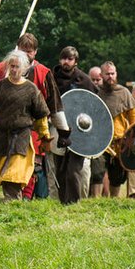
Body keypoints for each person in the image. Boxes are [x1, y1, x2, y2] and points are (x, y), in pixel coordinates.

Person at [0, 49, 51, 200]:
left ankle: (13, 205)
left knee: (13, 176)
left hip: (21, 137)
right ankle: (14, 206)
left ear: (25, 68)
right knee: (4, 175)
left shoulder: (31, 89)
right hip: (1, 136)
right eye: (11, 66)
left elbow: (41, 116)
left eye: (16, 66)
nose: (13, 69)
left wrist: (44, 135)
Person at [48, 46, 94, 203]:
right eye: (63, 58)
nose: (65, 62)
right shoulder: (52, 78)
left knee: (73, 170)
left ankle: (73, 204)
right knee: (60, 169)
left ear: (75, 61)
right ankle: (63, 203)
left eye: (69, 59)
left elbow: (94, 105)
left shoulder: (84, 80)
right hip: (58, 128)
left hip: (79, 130)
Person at [96, 62, 135, 198]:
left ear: (116, 74)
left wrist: (133, 138)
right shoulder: (96, 92)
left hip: (119, 142)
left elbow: (134, 119)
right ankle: (93, 202)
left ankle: (114, 203)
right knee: (97, 173)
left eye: (112, 73)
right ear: (101, 75)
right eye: (107, 74)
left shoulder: (124, 93)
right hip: (100, 141)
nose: (110, 77)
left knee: (117, 177)